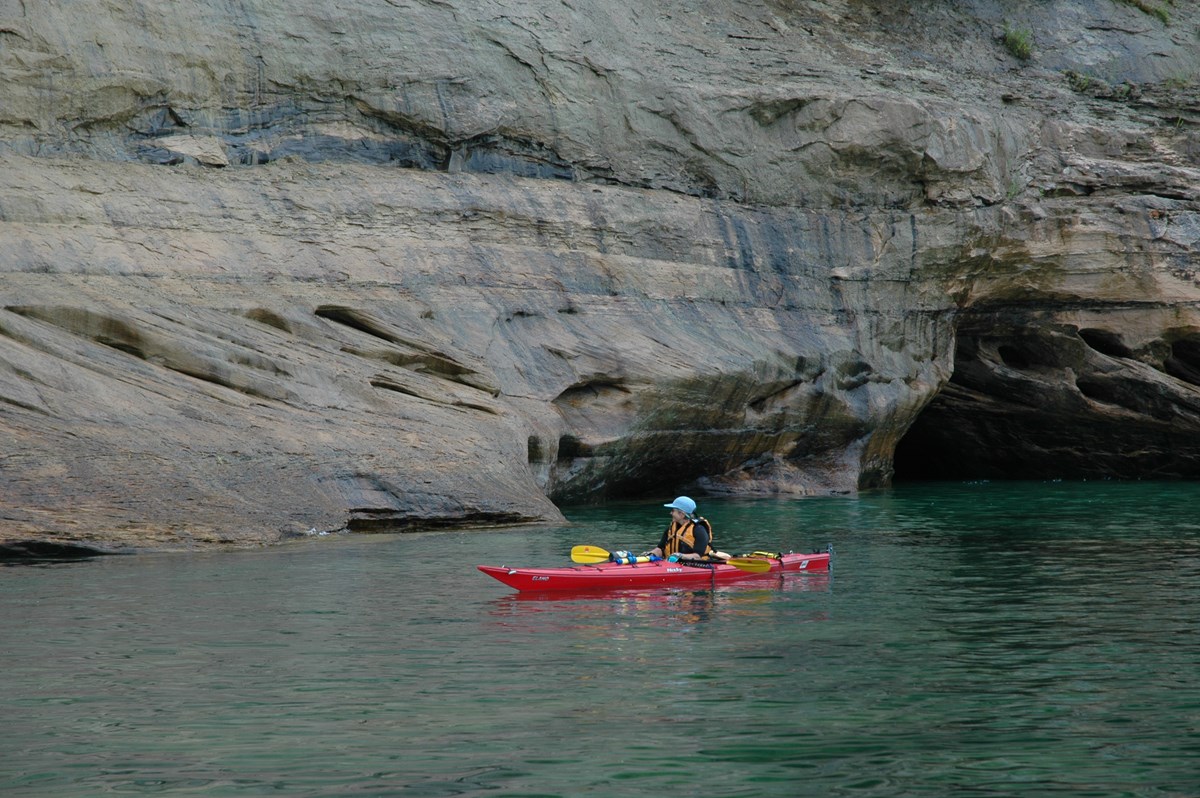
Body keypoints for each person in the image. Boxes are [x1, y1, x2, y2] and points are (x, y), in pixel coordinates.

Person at [648, 496, 715, 561]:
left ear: (681, 514)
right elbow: (660, 549)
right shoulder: (670, 529)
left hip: (697, 566)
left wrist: (680, 556)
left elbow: (697, 556)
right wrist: (652, 554)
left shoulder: (699, 530)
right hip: (671, 565)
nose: (670, 513)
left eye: (673, 510)